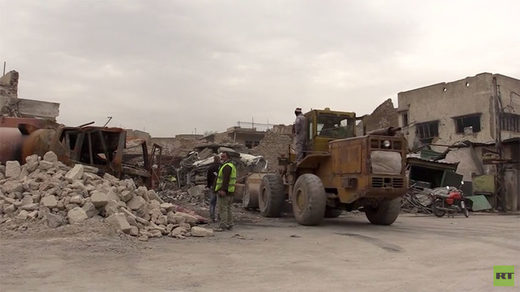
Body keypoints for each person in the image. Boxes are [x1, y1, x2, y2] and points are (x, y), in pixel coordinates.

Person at [214, 151, 237, 231]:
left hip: (224, 192)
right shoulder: (231, 166)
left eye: (223, 156)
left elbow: (225, 179)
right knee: (228, 209)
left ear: (228, 157)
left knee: (223, 209)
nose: (221, 158)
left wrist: (223, 190)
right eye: (221, 156)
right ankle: (230, 224)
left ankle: (223, 225)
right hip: (230, 191)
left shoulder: (226, 167)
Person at [206, 155, 221, 222]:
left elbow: (208, 177)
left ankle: (212, 217)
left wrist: (208, 185)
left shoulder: (211, 167)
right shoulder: (222, 166)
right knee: (220, 203)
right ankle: (219, 217)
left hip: (212, 186)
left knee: (212, 202)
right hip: (220, 186)